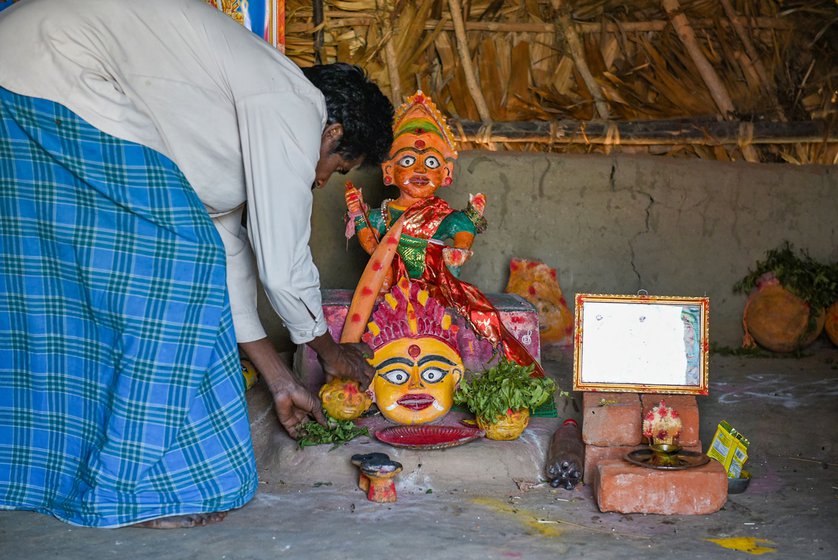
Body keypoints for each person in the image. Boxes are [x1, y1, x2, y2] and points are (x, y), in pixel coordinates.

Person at [0, 0, 393, 528]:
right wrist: (327, 349)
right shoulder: (296, 102)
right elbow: (280, 259)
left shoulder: (219, 138)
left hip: (20, 77)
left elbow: (227, 258)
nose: (322, 180)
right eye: (338, 167)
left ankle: (37, 474)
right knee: (170, 279)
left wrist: (280, 379)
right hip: (55, 71)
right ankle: (147, 487)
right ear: (333, 133)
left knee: (58, 305)